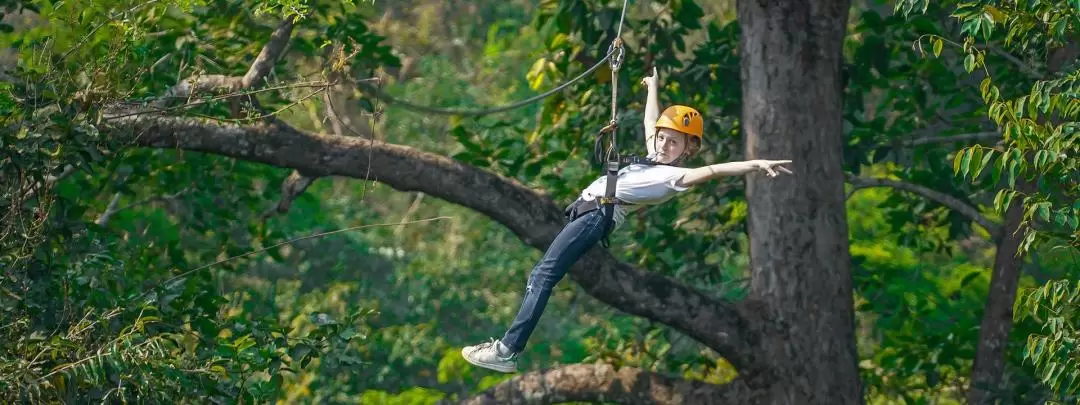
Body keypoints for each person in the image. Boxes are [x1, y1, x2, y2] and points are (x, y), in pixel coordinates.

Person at [460, 68, 793, 373]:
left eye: (673, 141)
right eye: (663, 138)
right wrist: (653, 89)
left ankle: (506, 350)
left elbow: (713, 170)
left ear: (687, 149)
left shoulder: (673, 176)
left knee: (543, 275)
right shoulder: (652, 158)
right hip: (589, 213)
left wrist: (754, 163)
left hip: (596, 217)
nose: (663, 144)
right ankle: (507, 348)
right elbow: (652, 124)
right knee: (543, 274)